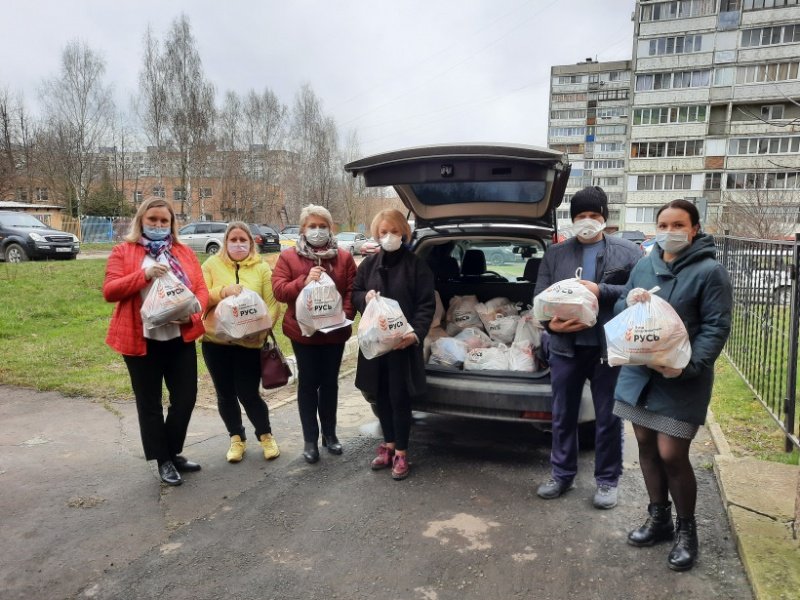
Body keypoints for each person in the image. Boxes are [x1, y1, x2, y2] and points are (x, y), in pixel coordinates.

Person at [613, 199, 732, 571]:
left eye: (678, 224)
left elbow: (716, 326)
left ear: (694, 228)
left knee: (671, 454)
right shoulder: (645, 263)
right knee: (646, 447)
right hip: (639, 373)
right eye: (663, 225)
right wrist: (628, 302)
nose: (669, 232)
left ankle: (686, 530)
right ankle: (658, 519)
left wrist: (689, 365)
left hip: (681, 377)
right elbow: (620, 307)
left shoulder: (710, 272)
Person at [534, 186, 642, 508]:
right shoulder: (556, 254)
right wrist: (548, 325)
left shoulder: (628, 252)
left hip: (607, 349)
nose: (587, 221)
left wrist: (601, 289)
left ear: (604, 218)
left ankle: (608, 480)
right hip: (566, 348)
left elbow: (637, 293)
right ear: (573, 218)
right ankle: (561, 474)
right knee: (562, 415)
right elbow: (539, 297)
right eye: (581, 215)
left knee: (608, 417)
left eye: (594, 215)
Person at [103, 197, 208, 486]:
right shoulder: (124, 251)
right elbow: (110, 291)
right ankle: (163, 460)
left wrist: (192, 316)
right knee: (150, 404)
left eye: (165, 221)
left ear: (172, 224)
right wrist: (143, 274)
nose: (159, 225)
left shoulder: (183, 252)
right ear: (141, 221)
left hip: (178, 337)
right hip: (142, 341)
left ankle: (172, 451)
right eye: (153, 220)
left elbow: (200, 289)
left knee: (185, 399)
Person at [352, 209, 435, 480]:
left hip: (402, 345)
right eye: (384, 232)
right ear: (376, 234)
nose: (389, 237)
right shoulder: (368, 265)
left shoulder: (416, 265)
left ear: (404, 233)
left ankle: (401, 452)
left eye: (394, 231)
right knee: (381, 397)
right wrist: (365, 297)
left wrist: (415, 334)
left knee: (400, 399)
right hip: (376, 347)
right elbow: (354, 293)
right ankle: (387, 446)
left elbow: (426, 305)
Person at [272, 205, 357, 464]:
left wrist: (342, 316)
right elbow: (279, 290)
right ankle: (310, 439)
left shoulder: (343, 258)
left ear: (330, 229)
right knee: (308, 383)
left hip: (334, 334)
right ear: (302, 229)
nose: (317, 231)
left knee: (330, 383)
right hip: (304, 333)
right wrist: (303, 281)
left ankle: (329, 435)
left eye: (323, 226)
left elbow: (352, 290)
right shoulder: (289, 257)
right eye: (312, 226)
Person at [201, 221, 283, 463]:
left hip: (249, 343)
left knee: (248, 393)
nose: (238, 244)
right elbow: (201, 298)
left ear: (251, 243)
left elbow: (272, 304)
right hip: (216, 343)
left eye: (242, 240)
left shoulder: (262, 268)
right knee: (225, 394)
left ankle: (265, 435)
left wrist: (261, 329)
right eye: (233, 240)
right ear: (225, 243)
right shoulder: (211, 265)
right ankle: (236, 438)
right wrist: (223, 292)